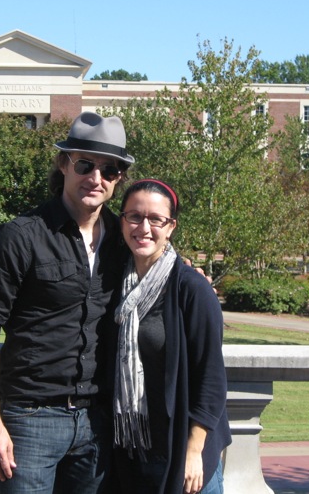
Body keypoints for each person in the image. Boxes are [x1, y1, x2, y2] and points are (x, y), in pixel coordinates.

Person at [0, 111, 135, 494]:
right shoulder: (20, 237)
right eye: (85, 164)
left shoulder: (124, 243)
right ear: (64, 165)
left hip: (98, 422)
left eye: (109, 170)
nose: (96, 178)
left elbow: (163, 271)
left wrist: (193, 280)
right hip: (30, 419)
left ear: (118, 179)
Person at [112, 179, 231, 494]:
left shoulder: (192, 289)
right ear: (122, 221)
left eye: (156, 219)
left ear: (171, 227)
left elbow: (211, 379)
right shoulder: (114, 286)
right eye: (134, 217)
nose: (144, 227)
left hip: (184, 454)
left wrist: (194, 452)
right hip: (133, 453)